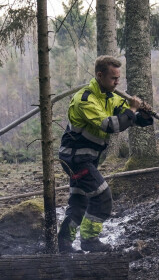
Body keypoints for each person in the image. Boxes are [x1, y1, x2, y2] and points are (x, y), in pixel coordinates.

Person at [57, 55, 153, 252]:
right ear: (100, 75)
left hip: (87, 158)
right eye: (113, 78)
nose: (117, 83)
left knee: (79, 200)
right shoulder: (84, 99)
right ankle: (89, 240)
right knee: (102, 197)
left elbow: (128, 118)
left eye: (119, 78)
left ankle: (64, 243)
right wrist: (132, 109)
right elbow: (109, 125)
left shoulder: (111, 96)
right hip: (75, 158)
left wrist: (143, 115)